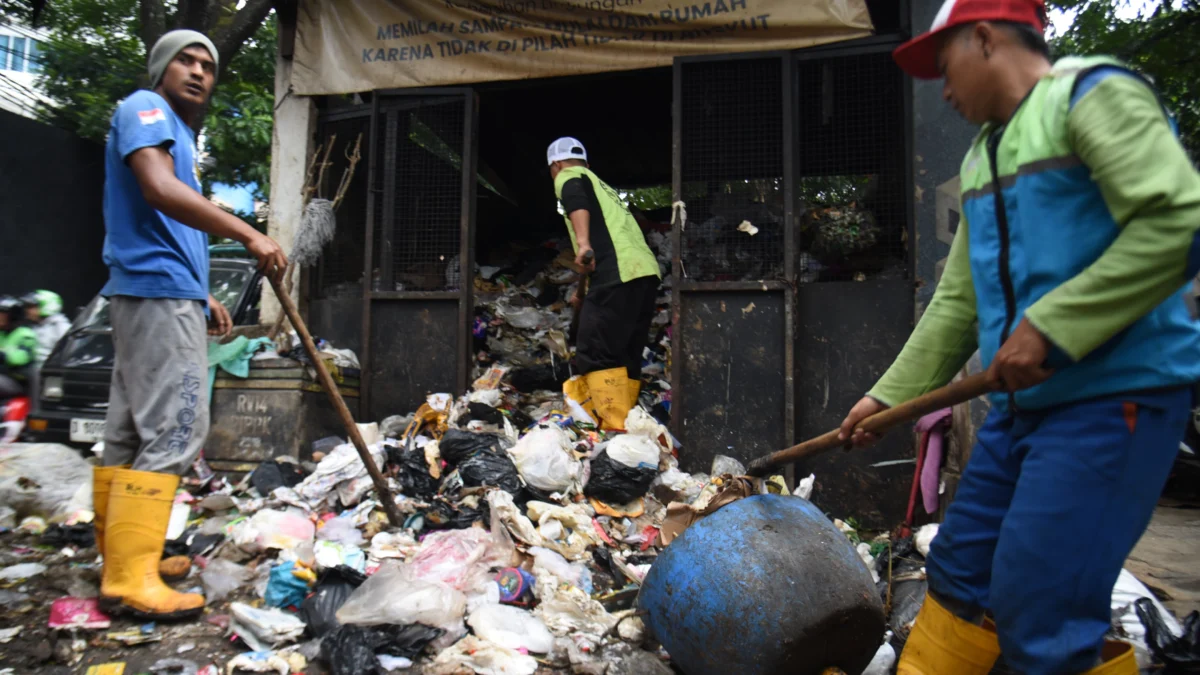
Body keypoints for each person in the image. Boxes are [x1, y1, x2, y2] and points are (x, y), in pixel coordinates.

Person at [837, 1, 1200, 673]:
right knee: (957, 567)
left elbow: (1176, 217)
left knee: (1043, 598)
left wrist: (1057, 324)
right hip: (1020, 409)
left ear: (984, 38)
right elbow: (957, 303)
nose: (942, 92)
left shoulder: (1091, 95)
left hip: (1111, 398)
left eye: (944, 70)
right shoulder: (984, 157)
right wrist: (886, 398)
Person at [94, 29, 287, 620]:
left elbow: (168, 224)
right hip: (155, 297)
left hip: (160, 293)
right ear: (161, 68)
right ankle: (130, 579)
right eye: (186, 60)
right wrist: (249, 231)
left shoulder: (176, 133)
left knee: (129, 432)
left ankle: (124, 558)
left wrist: (199, 291)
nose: (200, 71)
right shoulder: (144, 109)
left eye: (208, 64)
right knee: (178, 428)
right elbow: (157, 191)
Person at [549, 137, 661, 430]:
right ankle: (632, 423)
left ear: (555, 165)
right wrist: (581, 291)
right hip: (643, 273)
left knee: (595, 350)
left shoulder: (569, 177)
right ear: (587, 163)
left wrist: (583, 242)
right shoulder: (603, 188)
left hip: (617, 273)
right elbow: (593, 255)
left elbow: (576, 201)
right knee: (625, 350)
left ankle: (614, 428)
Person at [0, 295, 37, 399]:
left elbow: (20, 358)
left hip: (17, 380)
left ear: (13, 316)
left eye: (2, 314)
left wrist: (2, 355)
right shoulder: (1, 334)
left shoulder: (26, 335)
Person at [20, 290, 71, 366]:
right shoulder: (35, 326)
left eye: (31, 307)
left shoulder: (61, 328)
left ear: (47, 306)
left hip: (48, 370)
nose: (27, 310)